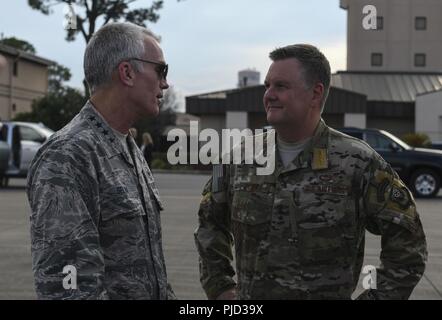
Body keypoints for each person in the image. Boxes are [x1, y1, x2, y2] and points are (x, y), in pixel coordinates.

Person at [194, 44, 427, 300]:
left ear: (315, 94)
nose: (269, 95)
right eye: (267, 85)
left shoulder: (357, 162)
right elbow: (210, 224)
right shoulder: (238, 158)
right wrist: (220, 288)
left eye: (280, 86)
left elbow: (408, 244)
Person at [27, 22, 175, 300]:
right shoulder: (68, 156)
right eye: (161, 70)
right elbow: (67, 288)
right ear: (127, 72)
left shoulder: (128, 148)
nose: (165, 82)